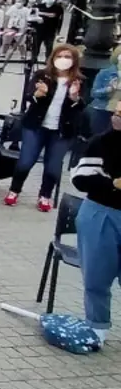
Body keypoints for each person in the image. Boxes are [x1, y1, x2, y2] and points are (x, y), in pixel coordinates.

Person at [4, 43, 87, 211]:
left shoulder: (80, 81)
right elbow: (29, 96)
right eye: (60, 56)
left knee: (53, 165)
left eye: (68, 57)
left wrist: (74, 98)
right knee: (26, 161)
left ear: (74, 61)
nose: (63, 60)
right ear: (53, 58)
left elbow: (82, 107)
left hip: (63, 130)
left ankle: (45, 195)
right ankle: (14, 190)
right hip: (36, 126)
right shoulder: (42, 75)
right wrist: (37, 95)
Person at [68, 105, 121, 344]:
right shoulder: (101, 142)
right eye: (116, 113)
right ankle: (97, 326)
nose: (116, 118)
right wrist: (112, 184)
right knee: (97, 275)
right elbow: (80, 178)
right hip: (101, 213)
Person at [88, 44, 121, 136]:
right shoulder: (105, 73)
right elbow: (93, 93)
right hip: (103, 110)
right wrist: (108, 89)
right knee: (99, 139)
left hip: (119, 113)